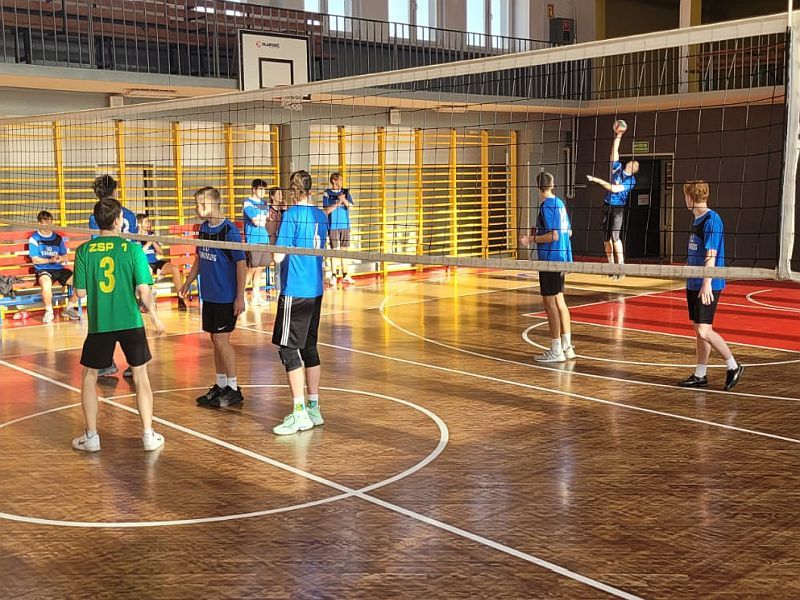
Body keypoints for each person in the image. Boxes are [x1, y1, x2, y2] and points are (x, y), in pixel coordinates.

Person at [71, 197, 165, 452]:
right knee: (140, 375)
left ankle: (92, 436)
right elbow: (144, 290)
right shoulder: (132, 249)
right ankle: (148, 435)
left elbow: (80, 293)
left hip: (100, 324)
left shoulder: (84, 251)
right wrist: (154, 316)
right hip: (131, 321)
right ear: (117, 221)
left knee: (89, 376)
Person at [271, 170, 329, 435]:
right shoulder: (320, 216)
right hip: (315, 289)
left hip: (295, 289)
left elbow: (278, 257)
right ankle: (313, 408)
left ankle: (299, 414)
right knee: (309, 346)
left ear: (293, 191)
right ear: (310, 189)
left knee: (287, 349)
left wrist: (272, 238)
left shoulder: (292, 215)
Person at [179, 187, 247, 408]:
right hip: (209, 295)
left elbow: (241, 264)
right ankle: (221, 384)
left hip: (226, 296)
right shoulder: (203, 229)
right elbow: (200, 259)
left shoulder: (229, 231)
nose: (196, 208)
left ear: (211, 204)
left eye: (199, 204)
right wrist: (188, 282)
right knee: (214, 340)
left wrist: (240, 297)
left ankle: (234, 389)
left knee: (221, 340)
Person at [677, 181, 744, 391]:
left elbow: (711, 254)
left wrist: (707, 283)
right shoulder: (697, 219)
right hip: (694, 281)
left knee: (704, 330)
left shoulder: (712, 220)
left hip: (707, 283)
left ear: (690, 198)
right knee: (698, 329)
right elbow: (698, 251)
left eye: (685, 196)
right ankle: (700, 374)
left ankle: (733, 366)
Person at [520, 172, 576, 363]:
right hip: (561, 257)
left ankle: (556, 350)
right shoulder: (560, 203)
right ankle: (567, 347)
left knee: (549, 304)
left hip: (550, 260)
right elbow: (568, 232)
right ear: (553, 185)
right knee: (560, 301)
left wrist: (531, 239)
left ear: (537, 187)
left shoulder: (547, 206)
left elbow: (554, 235)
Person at [89, 175, 138, 376]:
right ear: (115, 191)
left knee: (105, 315)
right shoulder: (130, 215)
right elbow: (134, 243)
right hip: (127, 267)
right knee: (129, 315)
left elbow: (97, 245)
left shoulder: (96, 216)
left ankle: (106, 362)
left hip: (106, 269)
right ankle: (135, 364)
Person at [586, 122, 639, 279]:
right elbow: (614, 152)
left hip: (618, 209)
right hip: (607, 206)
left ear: (634, 170)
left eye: (635, 164)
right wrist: (618, 136)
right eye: (633, 161)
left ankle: (621, 267)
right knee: (606, 238)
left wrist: (597, 180)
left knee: (615, 237)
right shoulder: (617, 168)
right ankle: (611, 266)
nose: (633, 163)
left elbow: (614, 189)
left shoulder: (631, 180)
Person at [28, 210, 81, 324]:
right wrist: (49, 260)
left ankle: (69, 308)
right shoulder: (34, 238)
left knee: (81, 282)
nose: (48, 223)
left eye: (50, 221)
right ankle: (49, 311)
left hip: (59, 269)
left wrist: (60, 258)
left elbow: (65, 257)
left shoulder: (58, 238)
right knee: (46, 284)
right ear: (39, 223)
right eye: (45, 221)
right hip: (43, 269)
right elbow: (35, 259)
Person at [136, 214, 187, 312]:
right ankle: (144, 301)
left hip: (155, 262)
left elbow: (161, 252)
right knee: (148, 270)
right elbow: (138, 254)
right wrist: (148, 244)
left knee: (174, 268)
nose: (149, 224)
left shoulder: (151, 235)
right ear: (139, 224)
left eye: (149, 222)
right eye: (146, 222)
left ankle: (180, 299)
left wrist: (153, 241)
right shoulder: (135, 237)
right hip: (143, 263)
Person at [322, 172, 355, 285]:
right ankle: (334, 275)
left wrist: (344, 200)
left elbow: (351, 206)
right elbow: (326, 210)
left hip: (344, 225)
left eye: (341, 180)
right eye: (339, 180)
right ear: (333, 181)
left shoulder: (345, 192)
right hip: (333, 226)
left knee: (344, 250)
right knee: (334, 251)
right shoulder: (327, 193)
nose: (341, 182)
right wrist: (338, 202)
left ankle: (345, 274)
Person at [242, 178, 271, 305]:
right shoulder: (248, 203)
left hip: (264, 239)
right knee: (251, 269)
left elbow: (265, 220)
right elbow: (255, 220)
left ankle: (256, 295)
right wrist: (260, 218)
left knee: (260, 268)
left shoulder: (265, 204)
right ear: (254, 189)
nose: (263, 192)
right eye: (260, 189)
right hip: (253, 240)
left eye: (264, 189)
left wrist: (260, 219)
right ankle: (240, 294)